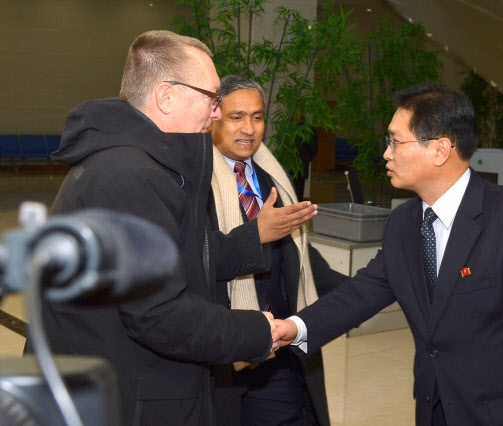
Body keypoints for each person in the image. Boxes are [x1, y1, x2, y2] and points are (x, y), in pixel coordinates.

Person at [29, 30, 318, 426]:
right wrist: (254, 332)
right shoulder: (129, 177)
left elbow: (175, 258)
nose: (216, 113)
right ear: (166, 96)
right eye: (212, 98)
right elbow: (159, 316)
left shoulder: (131, 164)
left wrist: (252, 238)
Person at [273, 83, 503, 425]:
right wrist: (295, 326)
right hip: (435, 408)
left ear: (440, 150)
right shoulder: (403, 223)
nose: (386, 153)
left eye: (395, 141)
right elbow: (361, 293)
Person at [209, 75, 346, 426]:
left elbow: (299, 258)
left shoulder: (273, 177)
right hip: (227, 354)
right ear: (213, 117)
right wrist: (256, 234)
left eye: (257, 117)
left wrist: (368, 288)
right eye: (236, 117)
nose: (249, 129)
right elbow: (196, 260)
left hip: (282, 349)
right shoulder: (193, 183)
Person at [292, 115, 318, 201]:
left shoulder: (308, 130)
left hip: (301, 166)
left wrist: (305, 158)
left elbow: (314, 148)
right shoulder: (287, 127)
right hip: (288, 166)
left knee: (299, 191)